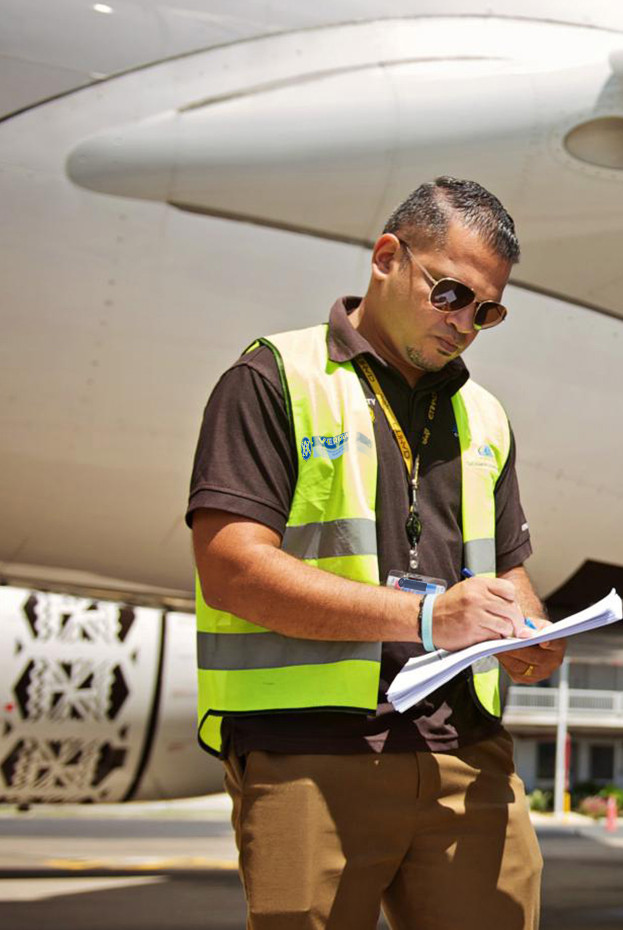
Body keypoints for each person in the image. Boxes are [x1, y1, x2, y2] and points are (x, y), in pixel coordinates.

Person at [187, 176, 565, 930]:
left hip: (465, 754)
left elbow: (509, 572)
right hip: (312, 753)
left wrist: (536, 638)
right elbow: (230, 567)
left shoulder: (485, 416)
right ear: (387, 257)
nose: (467, 324)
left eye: (488, 311)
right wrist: (429, 618)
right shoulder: (272, 379)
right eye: (452, 294)